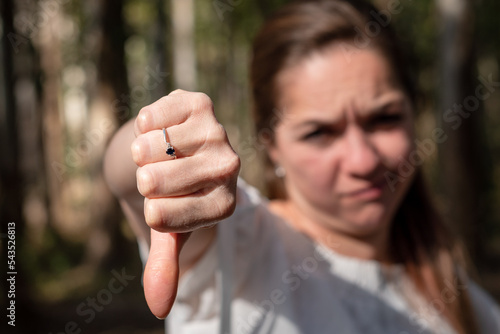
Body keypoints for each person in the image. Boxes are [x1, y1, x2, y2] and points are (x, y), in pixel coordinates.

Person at [104, 0, 500, 333]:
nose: (363, 160)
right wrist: (153, 144)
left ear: (416, 113)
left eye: (384, 119)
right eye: (319, 133)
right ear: (271, 145)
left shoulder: (453, 287)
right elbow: (122, 172)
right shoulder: (239, 245)